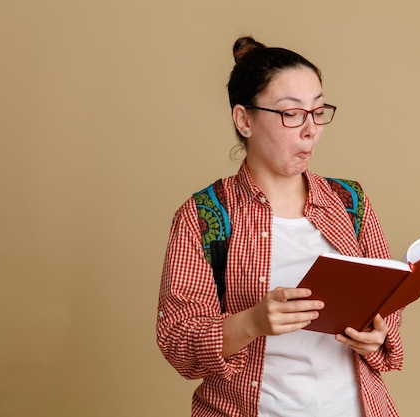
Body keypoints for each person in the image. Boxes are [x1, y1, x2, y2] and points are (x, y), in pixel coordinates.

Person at [156, 36, 404, 417]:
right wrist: (251, 322)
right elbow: (177, 340)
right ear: (244, 120)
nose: (310, 130)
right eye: (291, 113)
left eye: (318, 111)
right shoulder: (204, 215)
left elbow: (386, 308)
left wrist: (376, 336)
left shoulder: (350, 202)